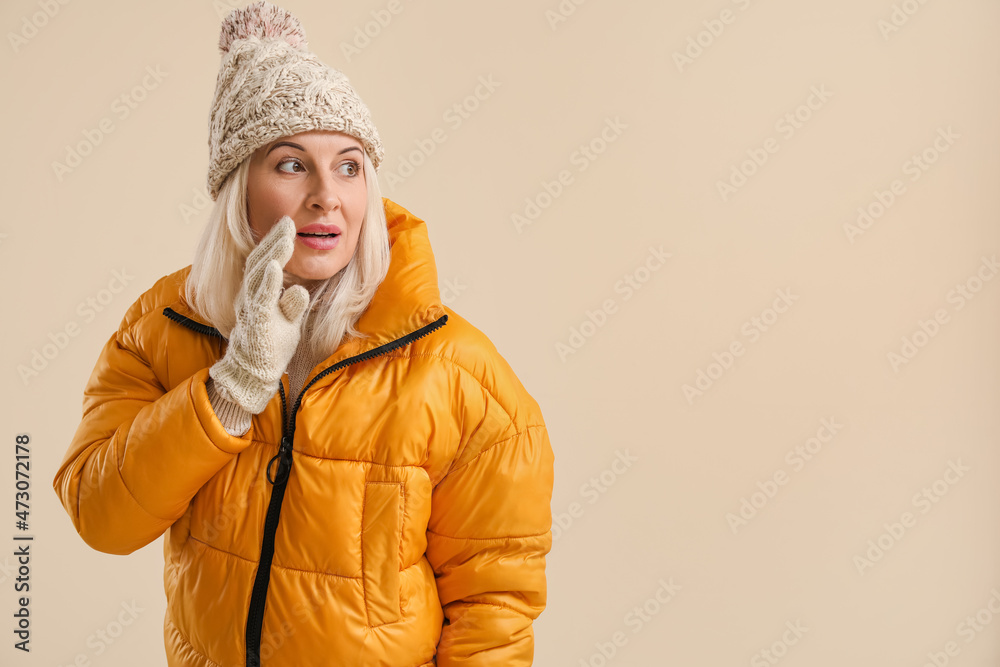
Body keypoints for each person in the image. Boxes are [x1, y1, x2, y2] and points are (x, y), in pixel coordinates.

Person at [51, 2, 554, 665]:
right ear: (239, 187)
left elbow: (496, 606)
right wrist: (232, 389)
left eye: (349, 165)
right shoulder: (163, 327)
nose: (327, 195)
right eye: (291, 164)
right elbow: (102, 514)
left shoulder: (458, 373)